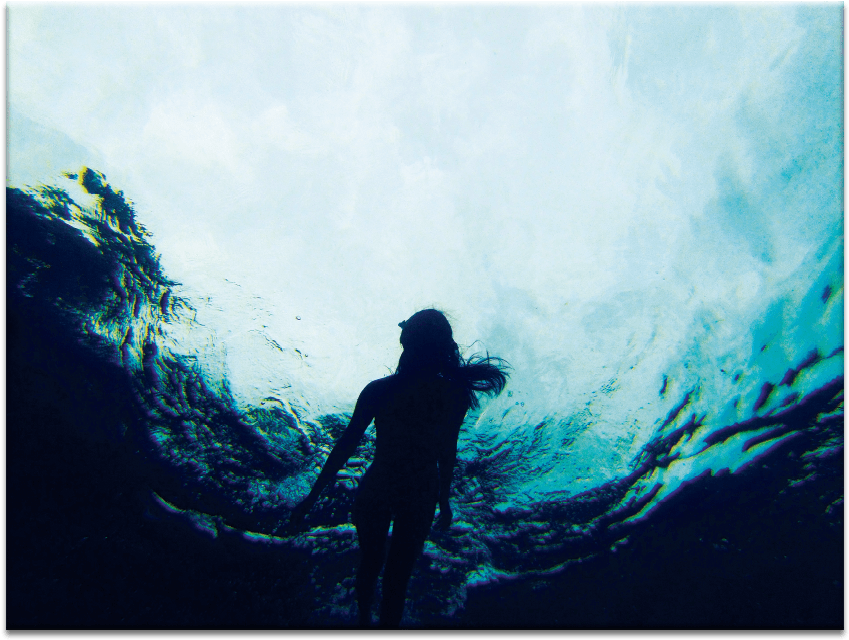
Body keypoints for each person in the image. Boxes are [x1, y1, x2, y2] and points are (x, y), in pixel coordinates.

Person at [287, 309, 509, 627]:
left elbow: (345, 448)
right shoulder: (453, 394)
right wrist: (443, 501)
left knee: (373, 563)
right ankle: (369, 619)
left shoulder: (380, 390)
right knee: (396, 578)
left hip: (382, 484)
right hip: (421, 491)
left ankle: (364, 618)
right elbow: (446, 451)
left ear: (407, 339)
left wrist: (312, 497)